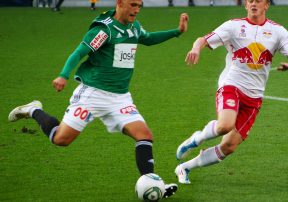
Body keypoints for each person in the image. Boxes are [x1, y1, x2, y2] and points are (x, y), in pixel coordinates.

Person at [9, 0, 188, 198]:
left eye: (140, 5)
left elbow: (148, 38)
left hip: (120, 98)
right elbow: (79, 53)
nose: (137, 10)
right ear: (120, 3)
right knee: (61, 139)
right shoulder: (104, 31)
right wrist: (63, 75)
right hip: (92, 95)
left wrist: (177, 31)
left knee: (144, 135)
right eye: (133, 4)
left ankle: (153, 185)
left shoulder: (133, 27)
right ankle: (33, 109)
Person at [175, 0, 288, 184]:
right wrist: (196, 48)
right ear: (245, 5)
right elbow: (203, 39)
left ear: (266, 5)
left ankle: (185, 167)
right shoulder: (234, 26)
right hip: (231, 85)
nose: (253, 4)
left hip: (254, 97)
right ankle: (197, 138)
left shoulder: (278, 31)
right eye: (250, 0)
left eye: (258, 1)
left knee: (229, 146)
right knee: (225, 126)